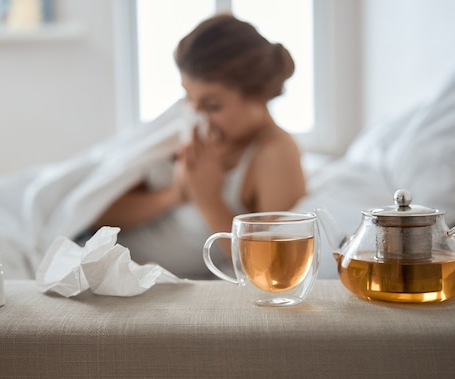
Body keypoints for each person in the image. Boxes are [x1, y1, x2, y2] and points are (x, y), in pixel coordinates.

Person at [92, 13, 306, 278]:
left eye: (212, 104)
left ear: (257, 96)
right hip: (99, 256)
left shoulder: (275, 153)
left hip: (146, 283)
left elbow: (273, 270)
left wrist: (208, 199)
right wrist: (177, 192)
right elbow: (96, 215)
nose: (196, 113)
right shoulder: (190, 129)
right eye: (188, 96)